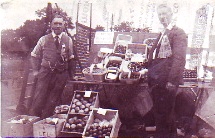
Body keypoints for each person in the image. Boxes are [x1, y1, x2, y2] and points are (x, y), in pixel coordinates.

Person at [147, 4, 188, 138]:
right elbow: (156, 57)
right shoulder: (162, 33)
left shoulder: (178, 33)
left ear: (171, 14)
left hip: (166, 82)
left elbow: (179, 59)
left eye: (165, 14)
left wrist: (172, 80)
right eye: (160, 15)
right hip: (158, 81)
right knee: (164, 114)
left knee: (163, 114)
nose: (162, 17)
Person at [29, 15, 74, 118]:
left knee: (53, 98)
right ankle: (33, 120)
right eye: (55, 23)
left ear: (64, 25)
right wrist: (36, 71)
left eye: (60, 24)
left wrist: (71, 75)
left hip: (61, 74)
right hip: (45, 73)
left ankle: (46, 121)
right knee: (39, 97)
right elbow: (34, 55)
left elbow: (71, 58)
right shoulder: (43, 39)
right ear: (51, 25)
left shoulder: (68, 40)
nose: (58, 26)